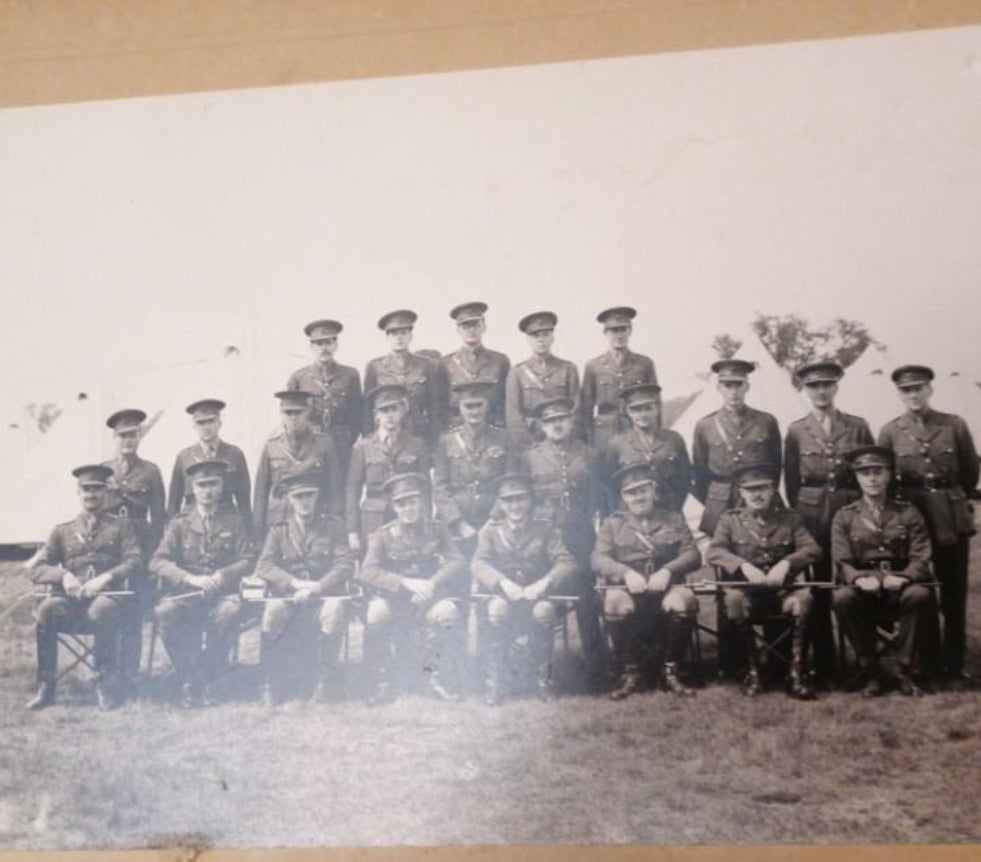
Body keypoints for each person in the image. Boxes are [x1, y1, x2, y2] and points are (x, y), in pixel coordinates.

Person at [878, 365, 979, 686]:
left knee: (953, 593)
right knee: (921, 591)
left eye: (918, 388)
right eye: (906, 390)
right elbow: (885, 479)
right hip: (912, 518)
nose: (913, 395)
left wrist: (951, 499)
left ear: (930, 390)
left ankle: (955, 663)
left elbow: (970, 472)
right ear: (899, 394)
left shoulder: (954, 425)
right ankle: (928, 660)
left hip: (949, 518)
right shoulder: (891, 431)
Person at [784, 360, 873, 680]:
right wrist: (799, 517)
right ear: (804, 390)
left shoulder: (857, 425)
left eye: (826, 385)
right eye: (813, 386)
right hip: (812, 513)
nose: (820, 391)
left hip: (849, 509)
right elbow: (792, 480)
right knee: (819, 585)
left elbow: (869, 469)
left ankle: (865, 659)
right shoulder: (796, 430)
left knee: (856, 579)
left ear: (836, 386)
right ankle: (825, 662)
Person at [26, 464, 142, 710]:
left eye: (97, 490)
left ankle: (105, 683)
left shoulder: (121, 526)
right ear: (78, 494)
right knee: (47, 610)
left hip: (108, 597)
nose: (91, 495)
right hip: (71, 601)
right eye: (86, 490)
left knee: (101, 610)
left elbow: (135, 560)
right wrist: (63, 575)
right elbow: (37, 568)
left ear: (106, 493)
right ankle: (46, 686)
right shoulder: (62, 530)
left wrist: (105, 578)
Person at [705, 462, 823, 699]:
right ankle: (753, 671)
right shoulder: (730, 520)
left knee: (804, 599)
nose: (757, 495)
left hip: (782, 593)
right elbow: (714, 552)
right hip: (747, 593)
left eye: (762, 488)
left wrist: (786, 564)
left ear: (772, 490)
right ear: (741, 493)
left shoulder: (790, 519)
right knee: (735, 600)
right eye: (751, 490)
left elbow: (812, 549)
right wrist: (744, 566)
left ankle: (795, 672)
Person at [831, 446, 938, 696]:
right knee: (842, 598)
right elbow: (842, 559)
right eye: (865, 473)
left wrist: (904, 577)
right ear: (857, 478)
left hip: (899, 584)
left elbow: (921, 556)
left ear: (889, 475)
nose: (872, 479)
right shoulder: (844, 516)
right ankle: (871, 670)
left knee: (919, 595)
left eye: (878, 472)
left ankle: (905, 669)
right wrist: (858, 578)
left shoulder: (908, 512)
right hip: (864, 586)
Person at [151, 460, 256, 707]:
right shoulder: (179, 523)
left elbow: (249, 558)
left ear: (221, 488)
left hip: (221, 595)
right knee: (164, 612)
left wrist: (224, 575)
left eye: (213, 484)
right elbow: (157, 561)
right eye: (202, 485)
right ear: (193, 490)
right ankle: (189, 676)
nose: (207, 491)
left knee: (230, 611)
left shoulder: (234, 521)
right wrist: (189, 578)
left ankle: (211, 678)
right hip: (188, 595)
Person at [591, 463, 701, 700]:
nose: (638, 497)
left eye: (643, 490)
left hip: (666, 587)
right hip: (630, 589)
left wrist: (668, 571)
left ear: (653, 490)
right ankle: (630, 672)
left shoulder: (673, 518)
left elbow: (692, 553)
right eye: (631, 493)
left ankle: (671, 670)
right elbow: (598, 558)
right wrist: (625, 573)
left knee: (686, 600)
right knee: (614, 602)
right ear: (623, 496)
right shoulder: (613, 524)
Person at [357, 473, 468, 703]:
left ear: (421, 502)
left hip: (429, 598)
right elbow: (367, 571)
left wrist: (432, 583)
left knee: (448, 613)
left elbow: (457, 561)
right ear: (394, 507)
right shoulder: (382, 535)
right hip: (395, 599)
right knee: (376, 613)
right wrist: (405, 583)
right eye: (401, 504)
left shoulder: (437, 529)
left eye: (412, 502)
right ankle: (380, 683)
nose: (408, 509)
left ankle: (442, 681)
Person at [471, 473, 580, 704]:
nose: (515, 506)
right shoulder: (490, 532)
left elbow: (567, 562)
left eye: (520, 499)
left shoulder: (546, 529)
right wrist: (502, 583)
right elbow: (478, 563)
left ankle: (543, 681)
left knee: (544, 612)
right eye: (509, 501)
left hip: (536, 597)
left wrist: (543, 584)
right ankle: (496, 682)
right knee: (497, 608)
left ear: (529, 501)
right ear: (501, 505)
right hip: (504, 597)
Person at [518, 396, 606, 681]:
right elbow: (525, 500)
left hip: (581, 533)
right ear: (541, 427)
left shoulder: (589, 454)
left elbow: (599, 497)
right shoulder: (530, 457)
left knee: (587, 600)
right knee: (544, 598)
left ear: (570, 422)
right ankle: (542, 670)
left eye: (561, 420)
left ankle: (594, 668)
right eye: (550, 421)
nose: (556, 425)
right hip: (544, 534)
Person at [254, 471, 356, 704]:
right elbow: (264, 565)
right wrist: (294, 584)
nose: (305, 501)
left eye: (309, 495)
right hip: (290, 599)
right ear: (290, 499)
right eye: (299, 496)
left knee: (335, 608)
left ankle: (326, 683)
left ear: (317, 497)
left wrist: (317, 587)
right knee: (273, 610)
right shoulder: (278, 531)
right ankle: (272, 681)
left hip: (322, 597)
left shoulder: (333, 526)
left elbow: (344, 565)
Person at [101, 407, 166, 697]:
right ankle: (105, 676)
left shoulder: (151, 471)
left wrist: (155, 556)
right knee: (105, 611)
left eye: (133, 435)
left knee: (134, 614)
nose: (128, 440)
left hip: (140, 551)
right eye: (123, 435)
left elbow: (160, 517)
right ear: (114, 437)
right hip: (110, 553)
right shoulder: (103, 472)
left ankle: (130, 676)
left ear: (140, 436)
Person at [691, 359, 782, 536]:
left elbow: (776, 466)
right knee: (723, 554)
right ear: (719, 388)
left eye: (738, 385)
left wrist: (763, 493)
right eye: (727, 385)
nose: (733, 392)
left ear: (747, 386)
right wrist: (713, 500)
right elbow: (700, 473)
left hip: (759, 498)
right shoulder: (705, 425)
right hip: (721, 502)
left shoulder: (766, 421)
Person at [345, 384, 431, 553]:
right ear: (376, 415)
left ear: (403, 411)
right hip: (373, 519)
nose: (389, 415)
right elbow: (352, 491)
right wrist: (352, 531)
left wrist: (426, 521)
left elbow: (426, 488)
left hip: (408, 516)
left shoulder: (416, 444)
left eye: (394, 409)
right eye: (384, 411)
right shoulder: (363, 447)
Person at [433, 381, 512, 555]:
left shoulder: (503, 438)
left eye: (479, 405)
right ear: (460, 408)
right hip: (457, 517)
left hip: (492, 515)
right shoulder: (447, 440)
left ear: (487, 406)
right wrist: (458, 523)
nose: (474, 411)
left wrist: (493, 520)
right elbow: (440, 487)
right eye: (469, 406)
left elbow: (509, 485)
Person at [253, 390, 343, 540]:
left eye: (298, 413)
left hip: (316, 516)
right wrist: (258, 531)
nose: (293, 418)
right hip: (280, 521)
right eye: (288, 413)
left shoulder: (324, 443)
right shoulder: (272, 446)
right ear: (281, 414)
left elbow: (335, 487)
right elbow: (260, 493)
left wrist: (335, 520)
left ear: (307, 412)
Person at [287, 319, 363, 479]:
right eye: (318, 343)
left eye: (328, 342)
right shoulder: (299, 377)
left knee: (340, 486)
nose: (324, 348)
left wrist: (348, 439)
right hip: (312, 442)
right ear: (311, 347)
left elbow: (357, 414)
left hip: (341, 443)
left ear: (336, 345)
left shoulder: (350, 375)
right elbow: (290, 415)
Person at [602, 383, 691, 513]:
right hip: (633, 514)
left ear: (656, 409)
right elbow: (609, 484)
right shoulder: (617, 444)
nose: (643, 414)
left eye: (648, 408)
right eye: (636, 410)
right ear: (628, 412)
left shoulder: (673, 439)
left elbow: (684, 478)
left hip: (669, 511)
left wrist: (675, 506)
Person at [580, 307, 657, 450]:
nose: (619, 335)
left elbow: (655, 403)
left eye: (623, 329)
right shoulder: (593, 366)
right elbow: (586, 409)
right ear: (605, 333)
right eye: (614, 330)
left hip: (636, 428)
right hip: (604, 434)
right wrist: (588, 442)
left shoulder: (644, 363)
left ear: (630, 331)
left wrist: (655, 435)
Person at [167, 398, 252, 528]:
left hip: (226, 523)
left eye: (211, 421)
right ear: (194, 426)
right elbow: (174, 501)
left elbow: (244, 500)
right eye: (201, 423)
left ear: (219, 422)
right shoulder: (184, 457)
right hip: (192, 526)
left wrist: (248, 531)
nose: (207, 427)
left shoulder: (234, 454)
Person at [363, 309, 442, 446]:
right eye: (394, 333)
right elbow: (367, 408)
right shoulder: (375, 367)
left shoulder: (426, 365)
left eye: (403, 333)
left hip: (418, 433)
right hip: (386, 433)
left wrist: (434, 440)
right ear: (387, 337)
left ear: (411, 335)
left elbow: (434, 406)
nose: (399, 338)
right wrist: (370, 438)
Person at [505, 311, 580, 451]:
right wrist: (528, 447)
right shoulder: (517, 372)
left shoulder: (567, 368)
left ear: (552, 337)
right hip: (531, 438)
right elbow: (513, 415)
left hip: (562, 436)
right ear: (528, 339)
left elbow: (576, 407)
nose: (541, 340)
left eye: (545, 334)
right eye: (535, 335)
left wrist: (567, 440)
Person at [439, 302, 510, 430]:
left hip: (492, 428)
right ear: (458, 330)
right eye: (466, 326)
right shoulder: (445, 364)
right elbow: (440, 405)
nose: (471, 330)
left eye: (476, 325)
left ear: (484, 327)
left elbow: (506, 402)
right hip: (457, 430)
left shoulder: (500, 361)